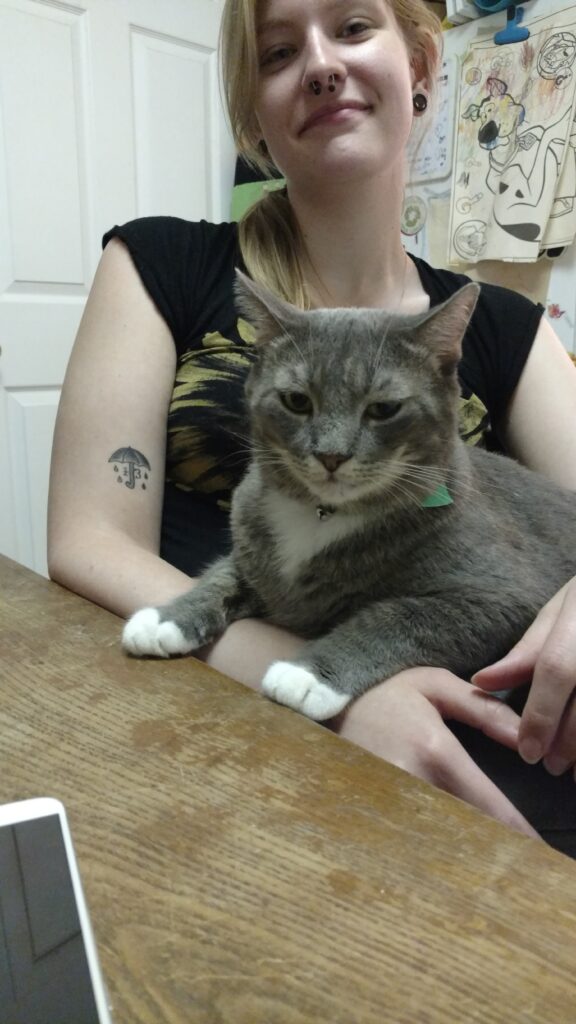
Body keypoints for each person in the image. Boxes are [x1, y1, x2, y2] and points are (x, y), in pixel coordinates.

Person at [48, 0, 576, 853]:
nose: (323, 65)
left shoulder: (505, 328)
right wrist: (325, 684)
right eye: (278, 52)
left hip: (450, 795)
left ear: (421, 66)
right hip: (189, 731)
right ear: (251, 109)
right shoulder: (163, 264)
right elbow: (85, 541)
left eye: (354, 27)